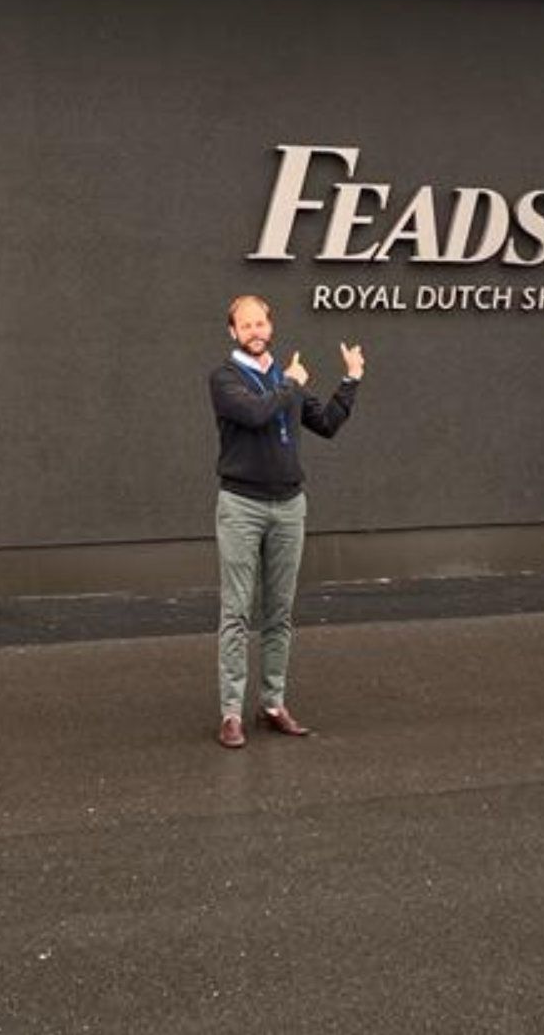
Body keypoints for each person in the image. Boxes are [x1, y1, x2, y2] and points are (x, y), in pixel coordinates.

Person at [209, 294, 364, 749]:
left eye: (261, 323)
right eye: (246, 325)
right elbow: (256, 415)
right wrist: (292, 384)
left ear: (270, 327)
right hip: (241, 506)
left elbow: (328, 423)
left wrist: (350, 379)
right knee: (236, 613)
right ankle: (231, 714)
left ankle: (273, 704)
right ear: (232, 332)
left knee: (279, 613)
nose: (255, 331)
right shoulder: (225, 378)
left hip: (289, 507)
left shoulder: (284, 377)